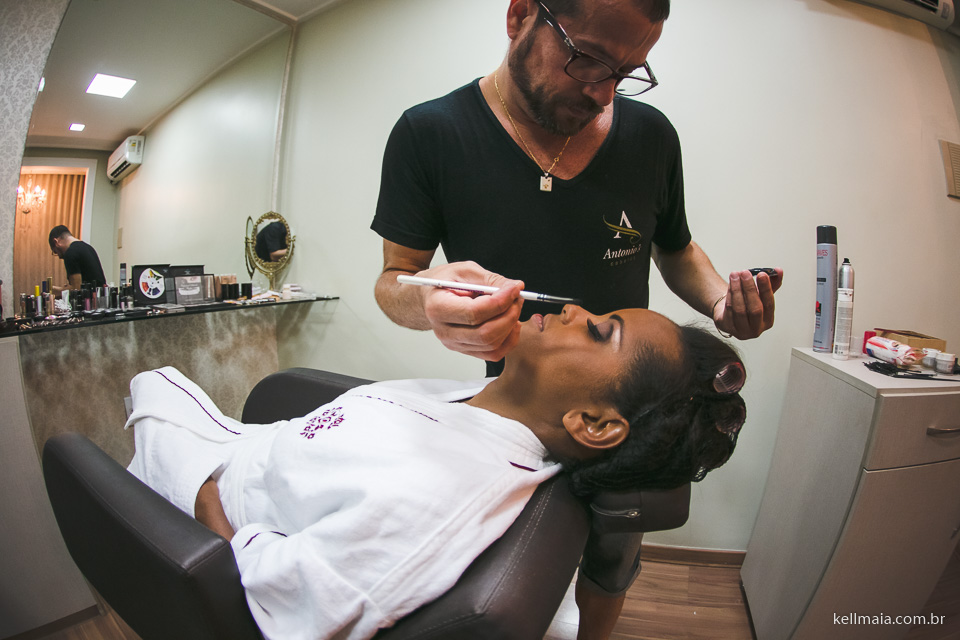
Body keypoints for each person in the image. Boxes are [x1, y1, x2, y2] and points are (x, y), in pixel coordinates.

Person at [370, 1, 783, 636]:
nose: (601, 90)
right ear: (519, 18)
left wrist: (721, 305)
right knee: (506, 569)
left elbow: (675, 250)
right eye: (586, 58)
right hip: (519, 407)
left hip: (630, 405)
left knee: (613, 559)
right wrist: (428, 305)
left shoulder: (650, 136)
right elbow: (395, 279)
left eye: (627, 70)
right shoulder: (431, 134)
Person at [126, 305, 746, 640]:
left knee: (150, 384)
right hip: (261, 448)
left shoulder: (434, 502)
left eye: (598, 329)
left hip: (228, 498)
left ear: (593, 423)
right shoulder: (496, 409)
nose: (574, 308)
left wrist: (211, 504)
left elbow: (294, 606)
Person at [48, 225, 106, 292]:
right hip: (102, 297)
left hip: (89, 301)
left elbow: (76, 289)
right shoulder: (88, 248)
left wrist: (54, 290)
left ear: (56, 242)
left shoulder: (70, 253)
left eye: (55, 252)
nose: (59, 256)